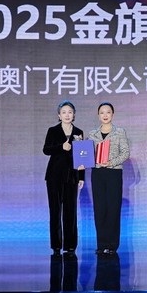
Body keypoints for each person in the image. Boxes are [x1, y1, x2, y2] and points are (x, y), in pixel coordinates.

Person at [43, 101, 84, 254]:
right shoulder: (53, 130)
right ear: (59, 115)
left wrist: (81, 177)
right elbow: (46, 150)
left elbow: (82, 156)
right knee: (55, 210)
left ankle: (70, 245)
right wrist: (61, 147)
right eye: (64, 112)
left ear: (74, 115)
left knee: (70, 210)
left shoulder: (78, 132)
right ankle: (56, 245)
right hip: (54, 176)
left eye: (70, 112)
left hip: (72, 176)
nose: (67, 115)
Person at [88, 102, 130, 254]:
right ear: (98, 115)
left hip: (113, 173)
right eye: (102, 112)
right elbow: (87, 154)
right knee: (99, 209)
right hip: (98, 173)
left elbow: (125, 153)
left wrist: (111, 162)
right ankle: (101, 244)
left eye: (108, 112)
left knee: (113, 208)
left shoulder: (120, 132)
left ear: (112, 114)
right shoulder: (92, 134)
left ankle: (112, 245)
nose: (105, 115)